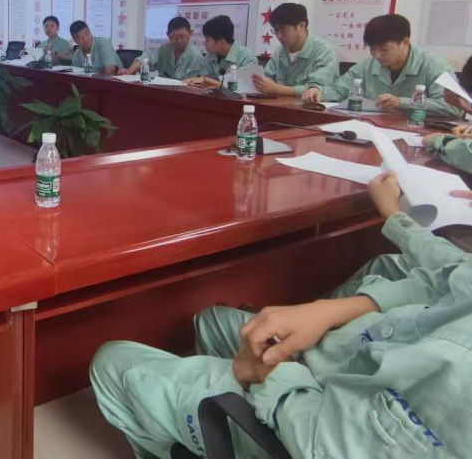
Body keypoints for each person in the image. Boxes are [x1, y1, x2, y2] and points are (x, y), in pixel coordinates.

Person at [91, 170, 471, 457]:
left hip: (317, 422)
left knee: (112, 363)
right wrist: (330, 310)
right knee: (211, 321)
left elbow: (335, 444)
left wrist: (270, 376)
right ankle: (211, 409)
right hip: (350, 364)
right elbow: (457, 276)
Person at [309, 14, 460, 117]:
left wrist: (402, 103)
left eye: (384, 49)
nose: (377, 55)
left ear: (405, 42)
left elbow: (454, 108)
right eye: (372, 49)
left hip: (419, 134)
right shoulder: (367, 66)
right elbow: (339, 90)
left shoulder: (434, 66)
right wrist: (318, 91)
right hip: (374, 130)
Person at [254, 3, 339, 98]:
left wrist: (277, 89)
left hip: (309, 106)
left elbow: (318, 89)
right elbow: (267, 77)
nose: (279, 36)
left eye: (283, 30)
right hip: (280, 105)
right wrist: (264, 84)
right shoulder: (280, 51)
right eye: (276, 30)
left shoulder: (324, 51)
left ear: (302, 26)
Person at [121, 17, 207, 80]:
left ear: (190, 33)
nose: (179, 41)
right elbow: (146, 58)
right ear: (168, 35)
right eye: (174, 37)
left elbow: (193, 84)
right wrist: (130, 71)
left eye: (182, 37)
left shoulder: (196, 56)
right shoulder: (165, 48)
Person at [184, 15, 257, 88]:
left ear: (221, 41)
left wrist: (206, 80)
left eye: (208, 40)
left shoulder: (247, 58)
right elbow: (203, 83)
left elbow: (243, 87)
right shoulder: (209, 56)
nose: (204, 43)